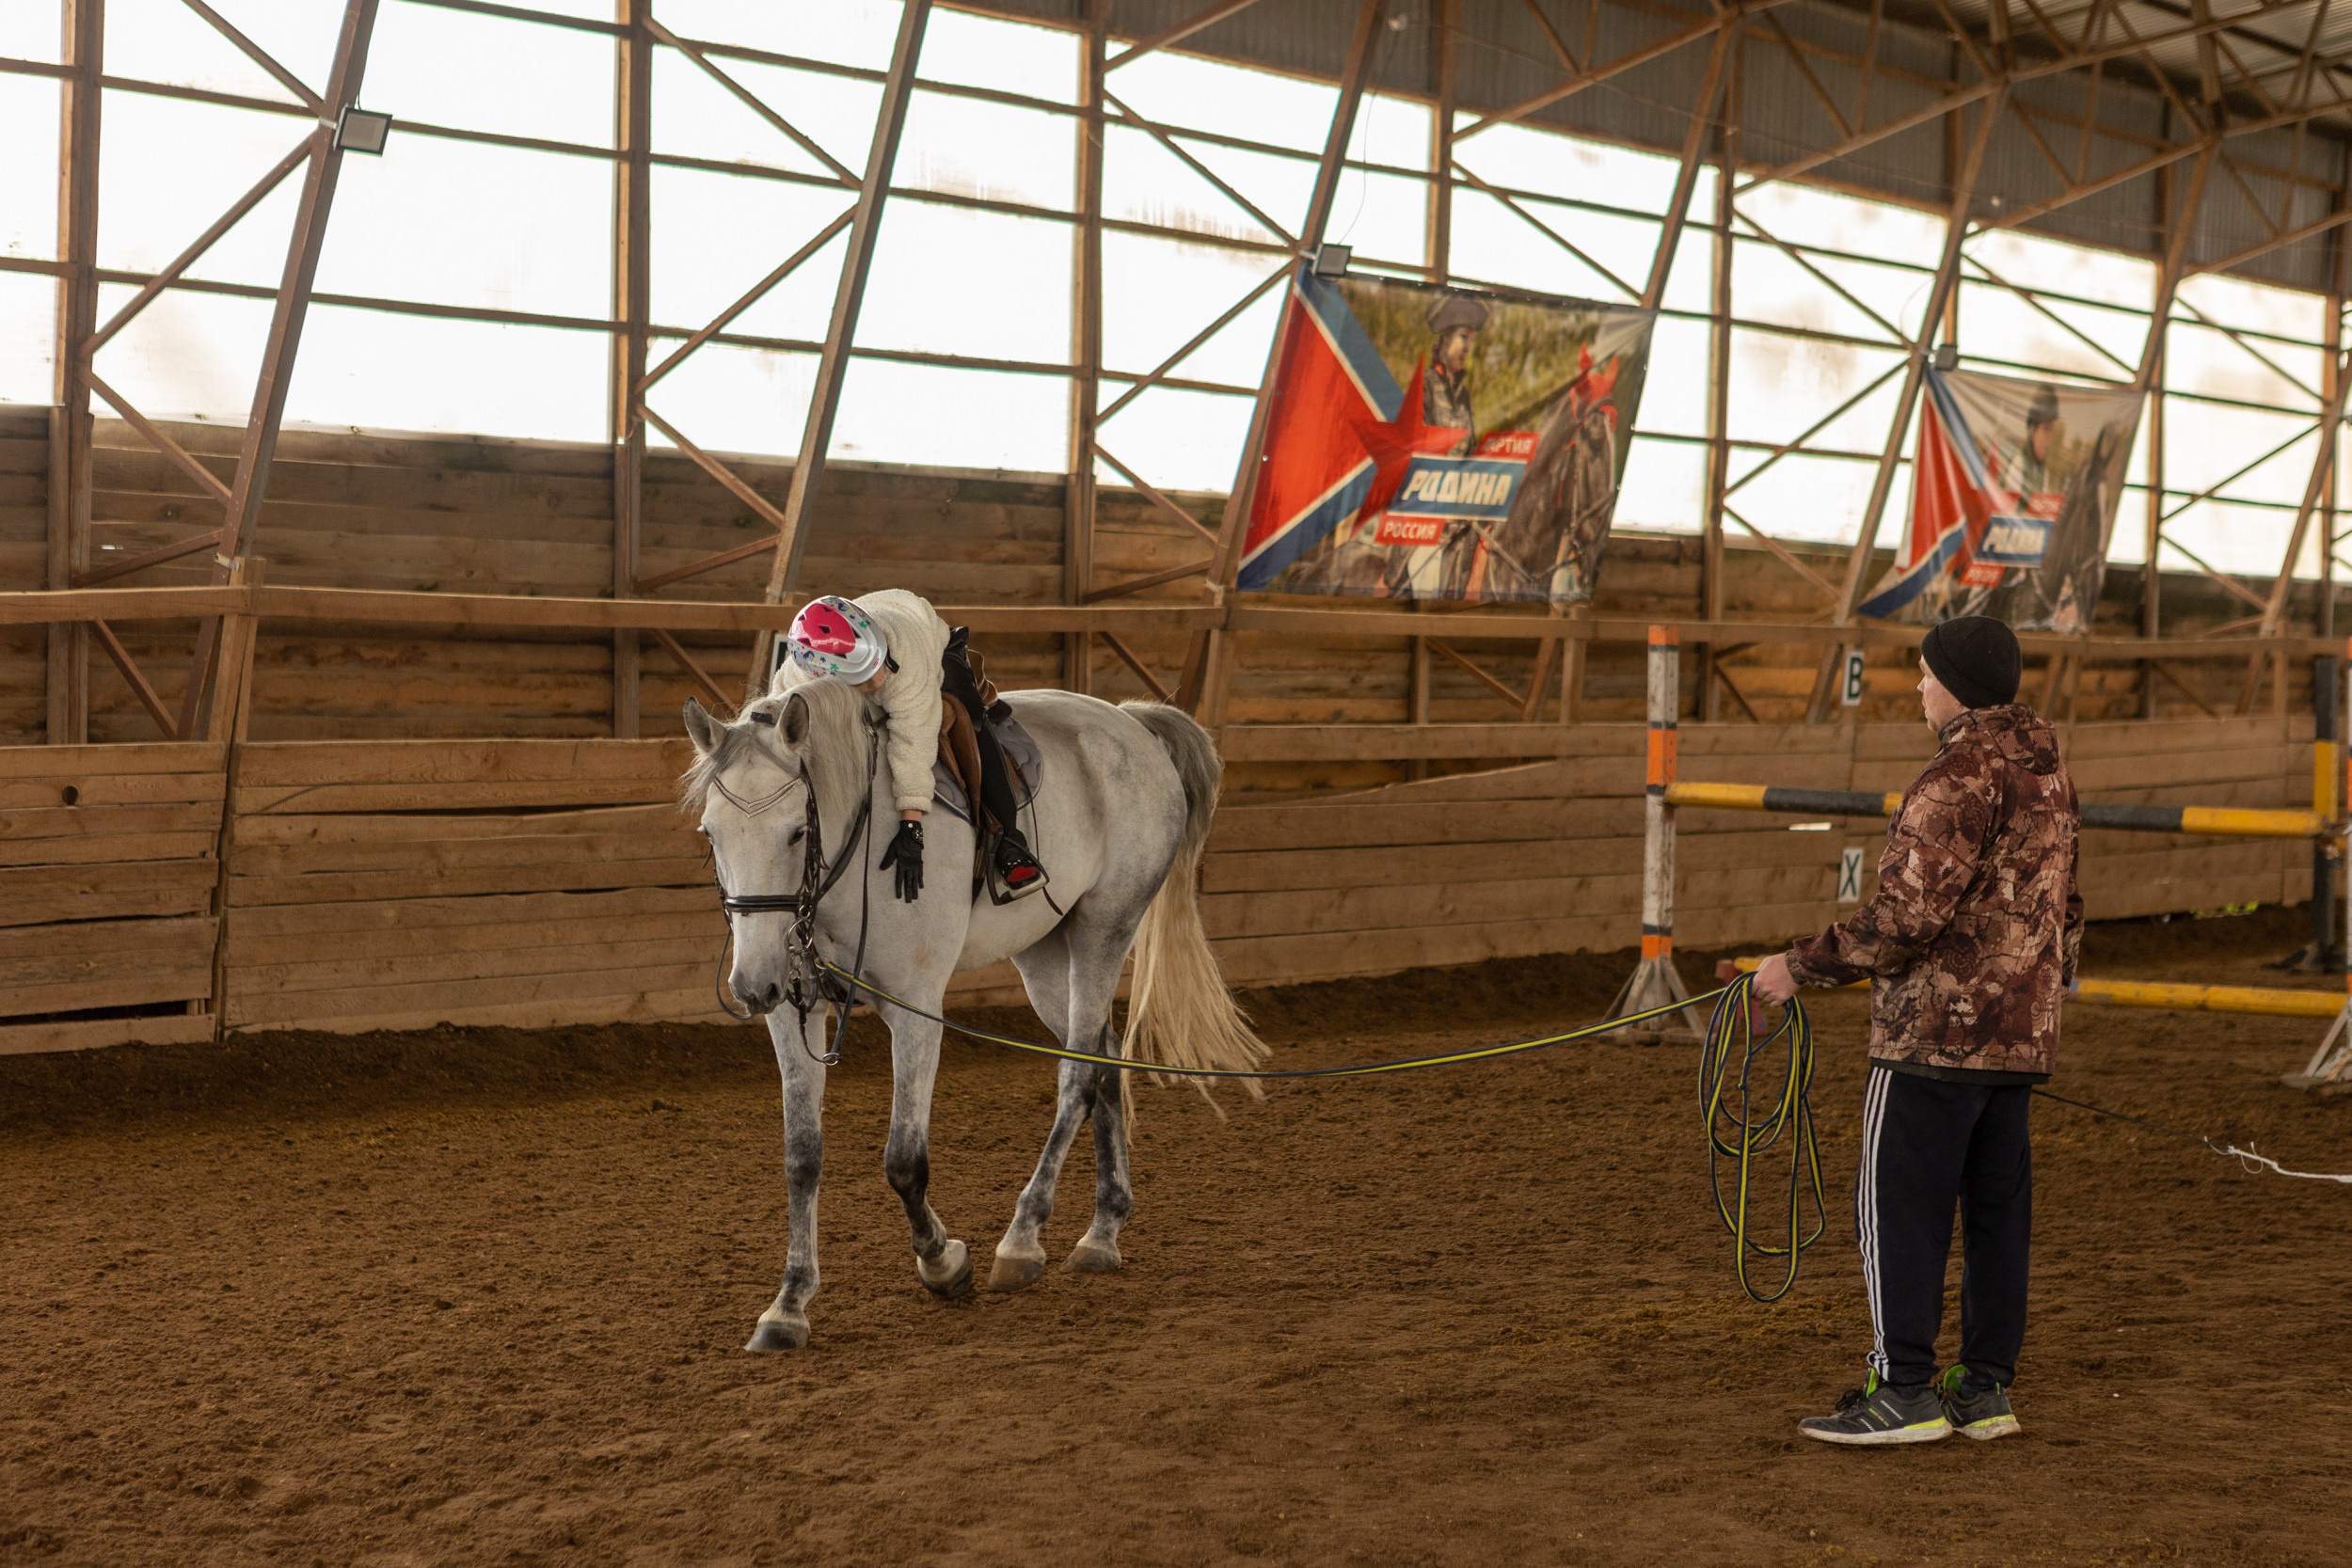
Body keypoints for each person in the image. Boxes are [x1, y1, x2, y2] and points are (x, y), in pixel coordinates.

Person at [1753, 614, 2081, 1447]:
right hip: (2017, 1038)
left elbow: (1906, 914)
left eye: (1928, 673)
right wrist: (2039, 997)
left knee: (1898, 1208)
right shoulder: (2047, 769)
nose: (1919, 687)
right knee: (1999, 1214)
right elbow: (2064, 905)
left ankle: (1902, 1385)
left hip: (1932, 1037)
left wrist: (1799, 966)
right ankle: (1983, 1386)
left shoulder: (1954, 775)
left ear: (1956, 683)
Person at [778, 590, 1047, 904]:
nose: (877, 682)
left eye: (875, 664)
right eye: (860, 678)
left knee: (968, 719)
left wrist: (911, 827)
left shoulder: (904, 657)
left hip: (926, 639)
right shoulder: (794, 680)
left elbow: (913, 741)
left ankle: (1011, 844)